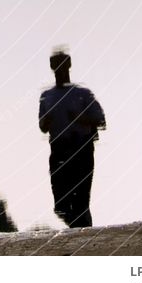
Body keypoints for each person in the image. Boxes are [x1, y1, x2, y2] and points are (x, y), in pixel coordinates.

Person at [38, 49, 106, 228]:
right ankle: (82, 232)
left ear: (69, 66)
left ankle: (84, 241)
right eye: (56, 65)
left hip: (81, 148)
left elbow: (101, 120)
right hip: (59, 150)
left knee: (81, 201)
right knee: (61, 205)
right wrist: (47, 121)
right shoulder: (47, 96)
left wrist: (79, 118)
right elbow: (42, 127)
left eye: (62, 65)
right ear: (52, 67)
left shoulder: (82, 94)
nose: (59, 69)